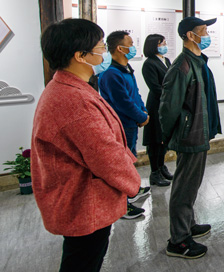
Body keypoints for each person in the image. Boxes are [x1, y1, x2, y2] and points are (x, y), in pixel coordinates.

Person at [31, 19, 141, 272]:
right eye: (100, 47)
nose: (104, 52)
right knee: (82, 262)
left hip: (80, 199)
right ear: (80, 56)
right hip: (83, 202)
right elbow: (104, 154)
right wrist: (132, 183)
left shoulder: (69, 88)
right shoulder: (73, 99)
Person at [160, 16, 221, 259]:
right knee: (184, 187)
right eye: (203, 31)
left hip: (198, 131)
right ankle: (178, 240)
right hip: (190, 135)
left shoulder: (197, 61)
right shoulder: (182, 66)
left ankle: (188, 224)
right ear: (190, 35)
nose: (207, 35)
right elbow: (169, 107)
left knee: (191, 184)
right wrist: (170, 136)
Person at [98, 30, 151, 218]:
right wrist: (141, 116)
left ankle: (132, 191)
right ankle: (123, 204)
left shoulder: (125, 69)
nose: (133, 47)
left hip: (131, 123)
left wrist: (143, 112)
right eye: (130, 44)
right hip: (120, 125)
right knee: (121, 164)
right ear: (120, 48)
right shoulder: (111, 74)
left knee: (130, 158)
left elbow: (135, 94)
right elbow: (123, 102)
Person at [142, 34, 173, 187]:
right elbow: (155, 87)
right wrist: (170, 96)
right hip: (156, 105)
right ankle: (154, 172)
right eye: (161, 43)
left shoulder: (166, 60)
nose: (164, 45)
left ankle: (161, 167)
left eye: (165, 42)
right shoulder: (149, 64)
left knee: (163, 140)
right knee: (155, 140)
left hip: (167, 104)